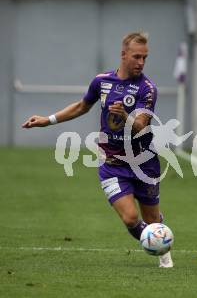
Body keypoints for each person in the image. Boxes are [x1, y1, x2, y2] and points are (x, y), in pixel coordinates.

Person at [22, 32, 173, 267]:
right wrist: (47, 120)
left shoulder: (147, 88)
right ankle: (158, 242)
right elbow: (82, 106)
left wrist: (125, 116)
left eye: (145, 58)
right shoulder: (101, 82)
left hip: (144, 162)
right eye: (136, 57)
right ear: (123, 55)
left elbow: (142, 125)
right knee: (131, 218)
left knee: (152, 219)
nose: (141, 62)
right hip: (112, 164)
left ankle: (161, 245)